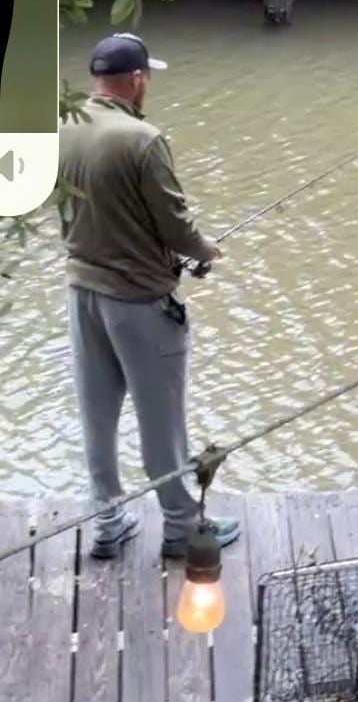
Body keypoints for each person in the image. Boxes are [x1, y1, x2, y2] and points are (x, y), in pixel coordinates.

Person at [57, 33, 240, 563]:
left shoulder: (61, 127)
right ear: (136, 80)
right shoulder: (143, 139)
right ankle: (180, 526)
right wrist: (206, 250)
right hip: (140, 303)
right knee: (161, 420)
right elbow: (175, 226)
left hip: (82, 292)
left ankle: (107, 522)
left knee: (97, 417)